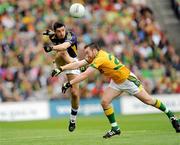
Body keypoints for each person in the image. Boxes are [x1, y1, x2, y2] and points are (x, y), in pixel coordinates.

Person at [54, 42, 180, 138]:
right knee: (104, 102)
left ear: (94, 50)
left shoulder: (100, 58)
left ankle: (172, 117)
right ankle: (115, 128)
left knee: (149, 100)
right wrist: (61, 68)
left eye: (87, 53)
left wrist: (69, 83)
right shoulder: (94, 57)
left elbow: (85, 74)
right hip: (116, 81)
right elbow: (77, 64)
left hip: (127, 80)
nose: (86, 56)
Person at [42, 22, 80, 132]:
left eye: (63, 30)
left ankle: (72, 120)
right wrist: (47, 33)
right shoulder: (52, 35)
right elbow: (45, 33)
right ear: (55, 31)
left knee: (74, 94)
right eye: (58, 31)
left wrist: (51, 48)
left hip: (72, 62)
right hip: (60, 60)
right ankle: (56, 68)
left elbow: (64, 46)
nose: (61, 33)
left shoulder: (71, 36)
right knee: (61, 52)